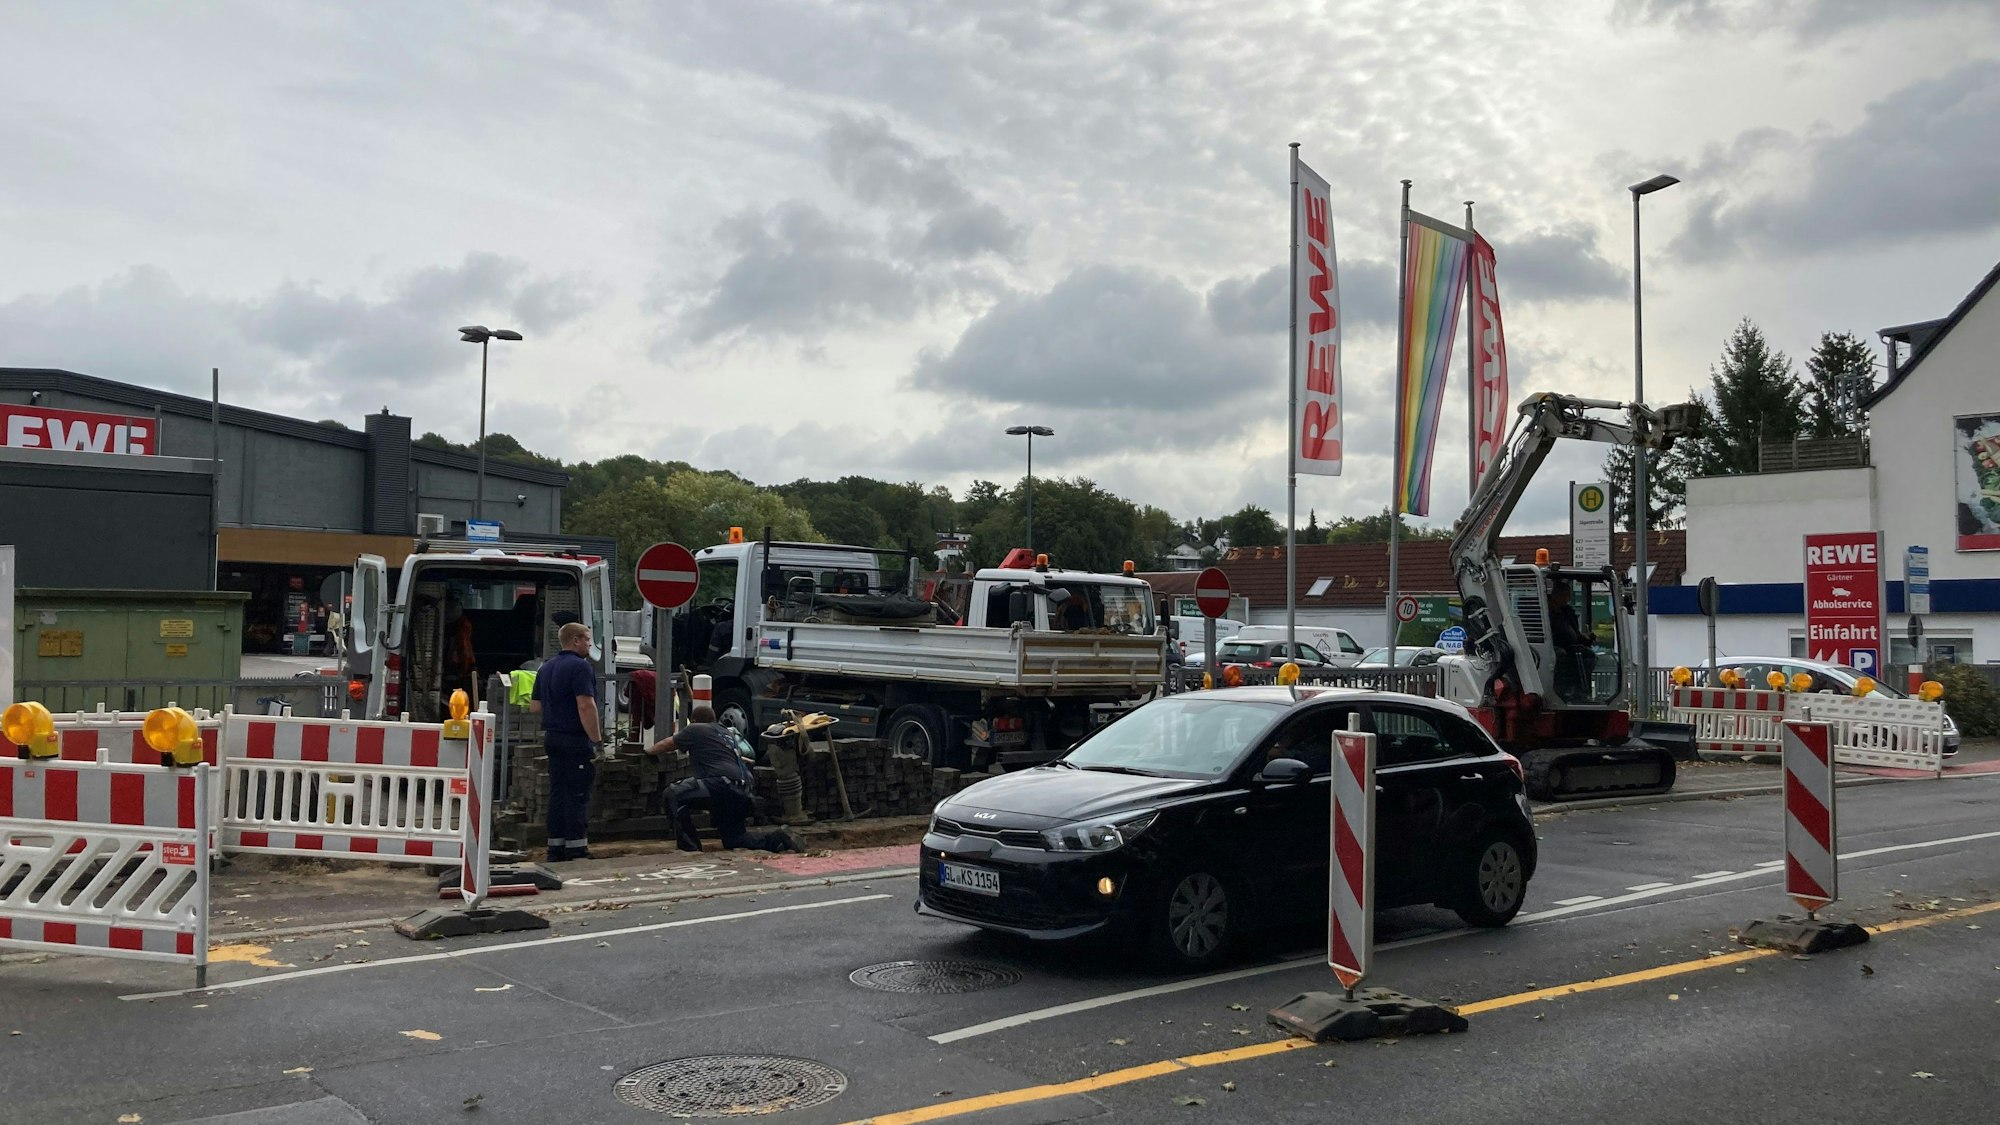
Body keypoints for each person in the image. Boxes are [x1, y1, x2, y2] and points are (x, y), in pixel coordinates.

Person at [645, 706, 800, 853]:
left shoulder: (695, 728)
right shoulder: (726, 733)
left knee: (672, 794)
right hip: (743, 790)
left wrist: (648, 753)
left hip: (720, 784)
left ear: (694, 720)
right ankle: (778, 839)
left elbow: (667, 744)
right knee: (734, 839)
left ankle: (690, 848)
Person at [529, 621, 602, 862]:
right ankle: (576, 848)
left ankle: (555, 847)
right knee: (577, 794)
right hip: (574, 739)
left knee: (557, 792)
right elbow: (585, 705)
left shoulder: (546, 667)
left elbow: (535, 706)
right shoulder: (580, 667)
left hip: (552, 738)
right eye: (587, 640)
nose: (589, 645)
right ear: (576, 641)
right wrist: (596, 740)